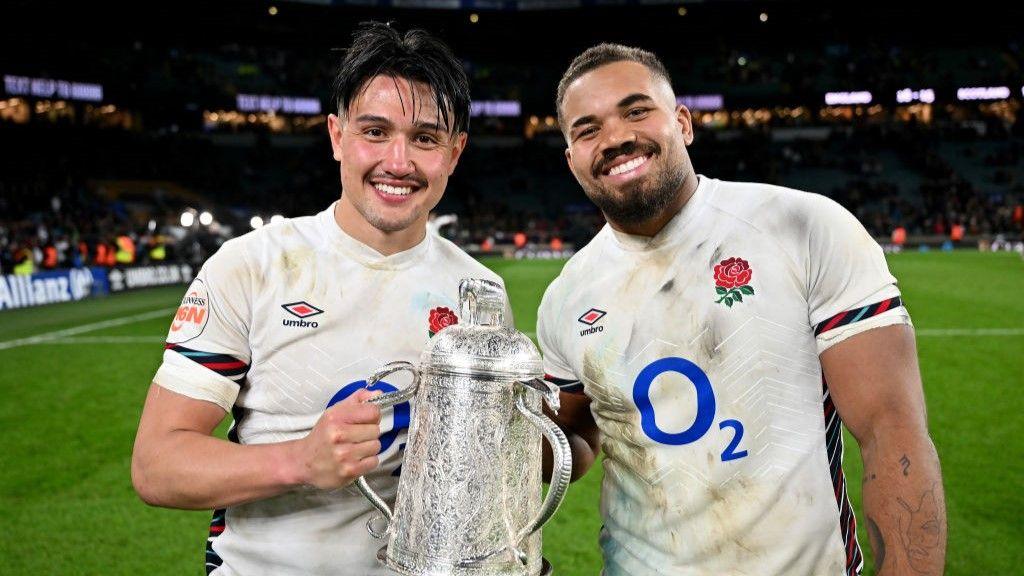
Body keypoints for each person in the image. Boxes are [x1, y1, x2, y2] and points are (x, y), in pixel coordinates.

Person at [537, 43, 946, 575]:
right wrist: (494, 435)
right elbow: (576, 435)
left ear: (683, 123)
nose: (615, 138)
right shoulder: (566, 297)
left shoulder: (803, 228)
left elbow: (891, 429)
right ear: (572, 160)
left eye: (637, 111)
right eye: (587, 129)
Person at [131, 22, 506, 575]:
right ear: (336, 136)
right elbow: (156, 465)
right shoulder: (252, 266)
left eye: (425, 138)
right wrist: (299, 461)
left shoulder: (480, 291)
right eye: (375, 132)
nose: (398, 161)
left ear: (455, 153)